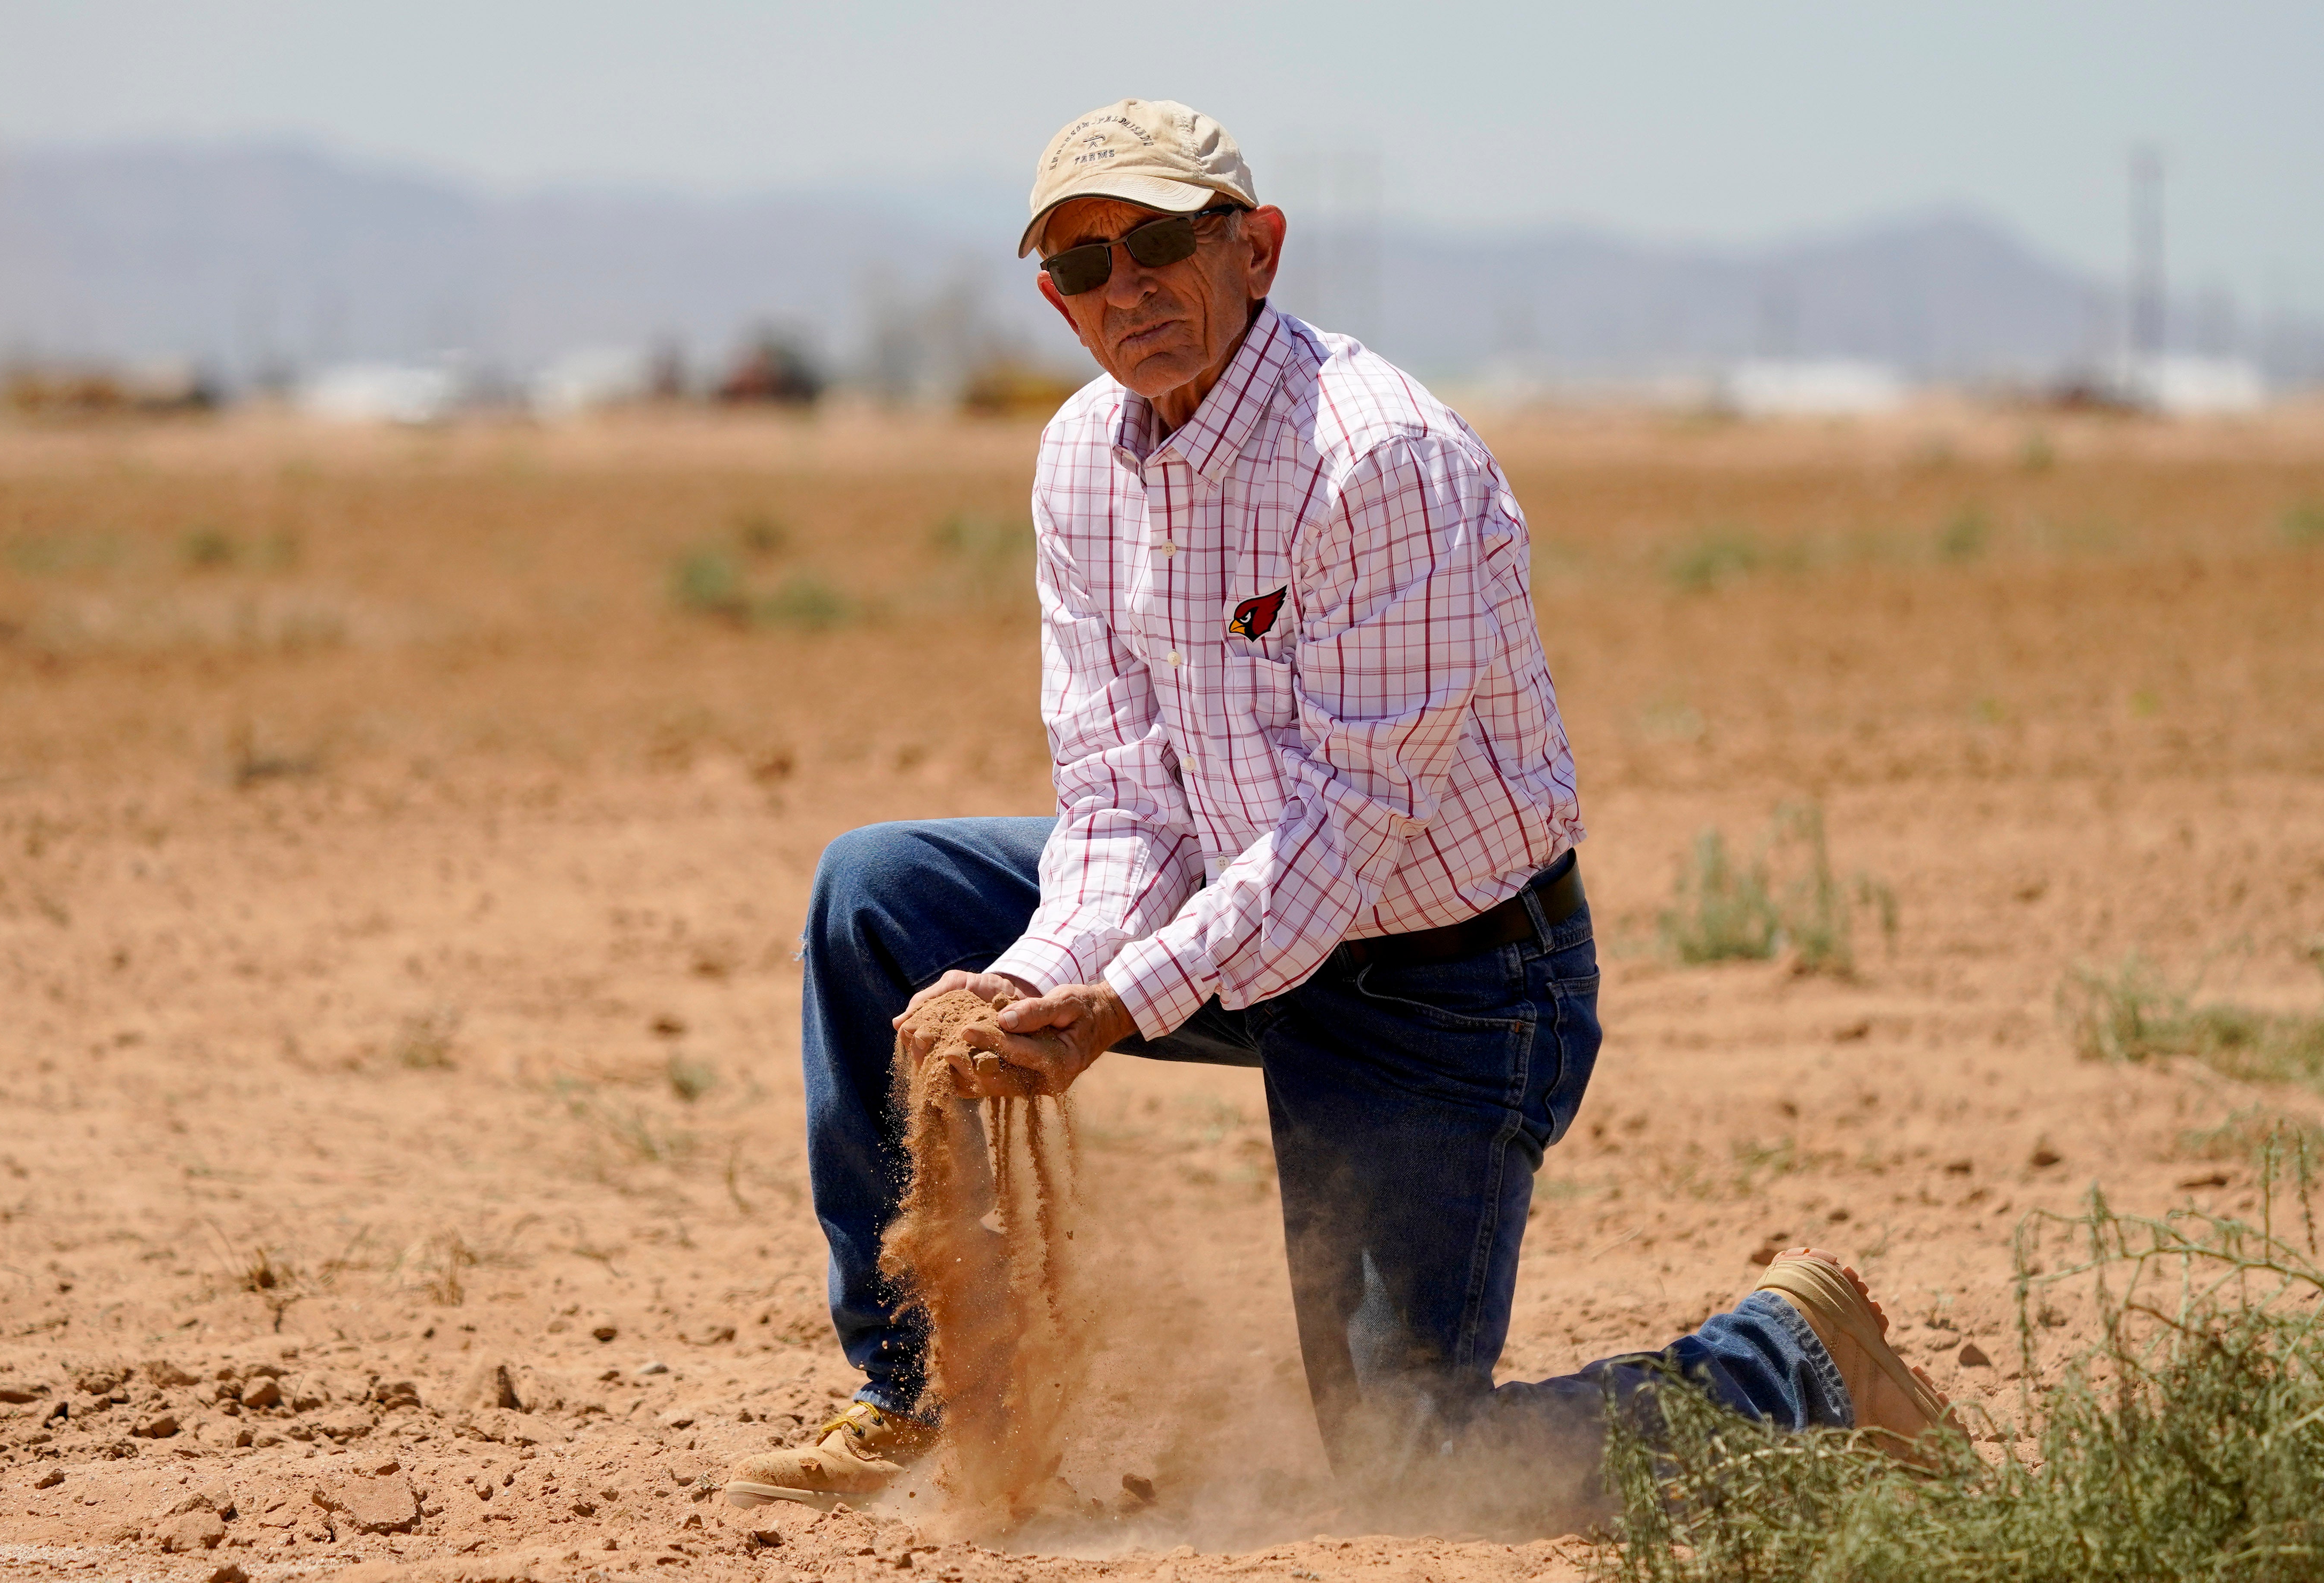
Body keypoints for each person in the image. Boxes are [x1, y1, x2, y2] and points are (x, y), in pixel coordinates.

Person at [724, 99, 1947, 1526]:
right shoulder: (1079, 460)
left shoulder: (1376, 458)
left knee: (1409, 1466)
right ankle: (924, 1385)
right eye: (1079, 264)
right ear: (1053, 300)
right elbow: (1120, 799)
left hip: (1440, 988)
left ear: (1257, 248)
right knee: (877, 892)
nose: (1125, 289)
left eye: (1159, 242)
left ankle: (1787, 1363)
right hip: (1237, 929)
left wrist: (1118, 1000)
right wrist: (1036, 975)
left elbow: (1340, 834)